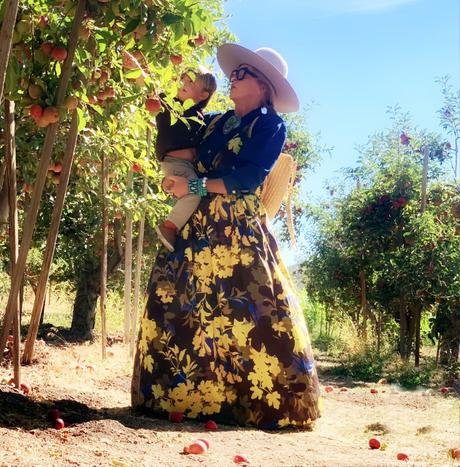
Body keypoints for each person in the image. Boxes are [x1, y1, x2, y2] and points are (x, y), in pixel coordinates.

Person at [132, 44, 321, 429]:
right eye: (234, 73)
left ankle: (260, 405)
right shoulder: (216, 122)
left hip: (238, 228)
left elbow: (248, 178)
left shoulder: (269, 125)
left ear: (264, 86)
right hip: (198, 223)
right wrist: (177, 177)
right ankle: (181, 397)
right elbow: (179, 134)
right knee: (180, 304)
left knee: (252, 311)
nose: (233, 78)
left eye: (243, 73)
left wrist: (196, 186)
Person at [154, 66, 217, 251]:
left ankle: (172, 226)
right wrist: (137, 67)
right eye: (184, 80)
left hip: (178, 165)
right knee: (195, 192)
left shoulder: (197, 118)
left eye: (191, 82)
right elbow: (152, 93)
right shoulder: (172, 107)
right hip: (175, 163)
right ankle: (170, 227)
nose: (184, 84)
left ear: (203, 95)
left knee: (193, 191)